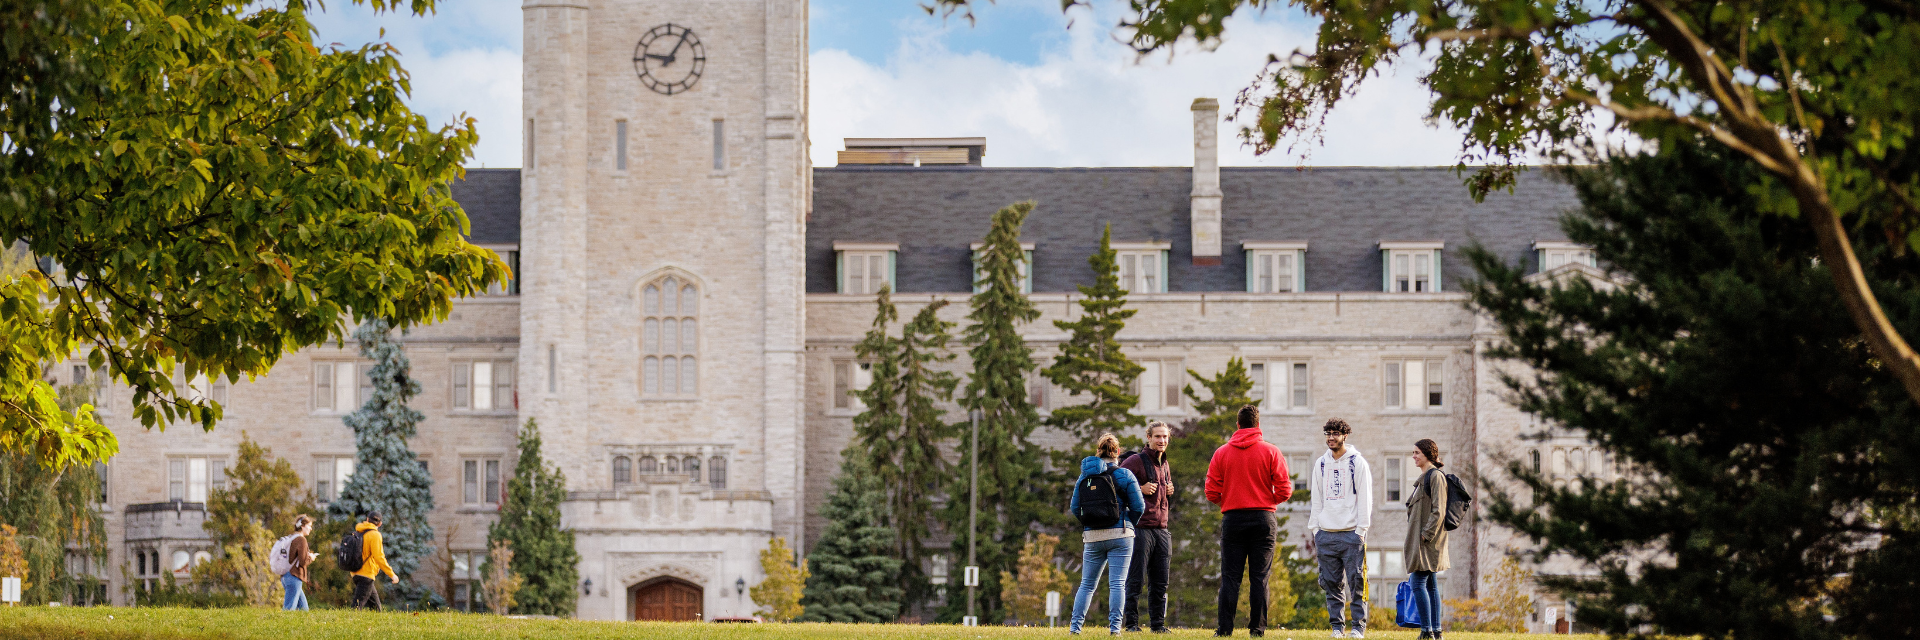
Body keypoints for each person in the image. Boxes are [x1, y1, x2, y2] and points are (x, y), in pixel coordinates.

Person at [1204, 405, 1294, 638]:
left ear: (1238, 425)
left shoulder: (1221, 453)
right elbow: (1285, 489)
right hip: (1263, 517)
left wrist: (1229, 501)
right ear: (1257, 425)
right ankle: (1257, 629)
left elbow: (1211, 491)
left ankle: (1224, 629)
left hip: (1233, 518)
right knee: (1260, 577)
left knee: (1231, 577)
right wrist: (1268, 500)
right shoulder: (1271, 451)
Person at [1069, 434, 1146, 635]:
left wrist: (1089, 524)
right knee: (1118, 584)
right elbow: (1139, 506)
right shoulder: (1125, 475)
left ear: (1098, 451)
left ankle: (1075, 629)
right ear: (1118, 452)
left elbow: (1075, 507)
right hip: (1121, 534)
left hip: (1093, 537)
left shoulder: (1084, 477)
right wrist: (1128, 522)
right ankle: (1114, 630)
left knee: (1086, 585)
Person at [1307, 418, 1373, 638]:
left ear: (1345, 435)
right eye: (1328, 433)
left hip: (1351, 534)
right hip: (1326, 534)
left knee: (1356, 582)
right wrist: (1316, 529)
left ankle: (1358, 627)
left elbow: (1365, 498)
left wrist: (1361, 530)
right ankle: (1337, 627)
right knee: (1331, 584)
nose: (1331, 437)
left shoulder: (1357, 463)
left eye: (1335, 433)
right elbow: (1316, 498)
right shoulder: (1321, 463)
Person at [1121, 421, 1175, 633]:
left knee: (1161, 581)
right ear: (1149, 438)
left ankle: (1158, 625)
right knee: (1135, 579)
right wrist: (1139, 488)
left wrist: (1170, 491)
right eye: (1157, 437)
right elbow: (1116, 484)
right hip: (1141, 529)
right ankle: (1132, 624)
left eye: (1165, 437)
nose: (1161, 441)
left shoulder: (1164, 464)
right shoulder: (1136, 460)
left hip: (1162, 529)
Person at [1404, 439, 1450, 640]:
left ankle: (1426, 630)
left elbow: (1439, 510)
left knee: (1417, 582)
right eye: (1413, 453)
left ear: (1427, 454)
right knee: (1430, 583)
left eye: (1417, 453)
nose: (1413, 456)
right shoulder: (1425, 476)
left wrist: (1426, 534)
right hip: (1422, 539)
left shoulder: (1435, 476)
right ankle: (1436, 630)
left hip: (1427, 540)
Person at [350, 511, 399, 610]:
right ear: (380, 524)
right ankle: (345, 623)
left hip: (356, 572)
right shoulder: (375, 535)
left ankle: (378, 625)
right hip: (366, 574)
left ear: (367, 519)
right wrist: (391, 574)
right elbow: (379, 557)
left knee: (376, 608)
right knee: (356, 607)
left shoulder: (358, 532)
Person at [281, 514, 317, 611]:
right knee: (289, 609)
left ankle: (304, 626)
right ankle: (281, 626)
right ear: (302, 526)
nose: (310, 529)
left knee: (304, 610)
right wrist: (311, 558)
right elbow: (303, 562)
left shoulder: (291, 538)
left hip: (285, 576)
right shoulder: (301, 540)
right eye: (309, 526)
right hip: (294, 577)